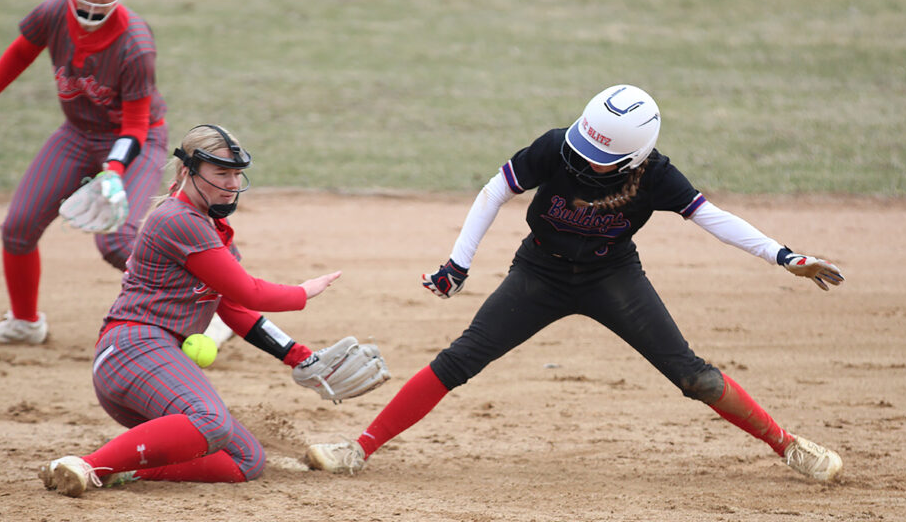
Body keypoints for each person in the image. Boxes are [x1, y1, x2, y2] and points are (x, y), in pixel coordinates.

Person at [305, 84, 846, 482]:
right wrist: (457, 265)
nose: (585, 163)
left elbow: (713, 217)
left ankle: (787, 444)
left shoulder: (656, 174)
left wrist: (784, 256)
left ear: (636, 155)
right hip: (539, 271)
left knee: (691, 374)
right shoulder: (556, 145)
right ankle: (360, 447)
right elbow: (496, 190)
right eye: (585, 150)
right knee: (459, 359)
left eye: (603, 159)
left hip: (612, 277)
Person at [39, 124, 388, 497]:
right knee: (211, 422)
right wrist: (302, 292)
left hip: (151, 357)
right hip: (133, 349)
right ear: (189, 171)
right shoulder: (178, 219)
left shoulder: (210, 227)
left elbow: (234, 309)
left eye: (237, 173)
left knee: (246, 460)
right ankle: (88, 465)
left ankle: (122, 470)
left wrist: (298, 356)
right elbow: (247, 291)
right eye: (221, 173)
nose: (233, 183)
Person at [0, 0, 167, 344]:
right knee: (18, 229)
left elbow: (136, 125)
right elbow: (21, 52)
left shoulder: (135, 43)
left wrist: (112, 173)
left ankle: (206, 301)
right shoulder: (54, 11)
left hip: (137, 141)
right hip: (77, 134)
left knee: (116, 242)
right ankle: (25, 324)